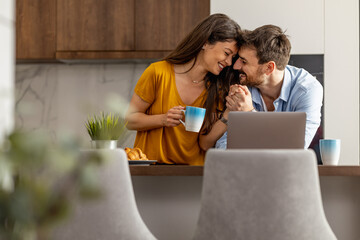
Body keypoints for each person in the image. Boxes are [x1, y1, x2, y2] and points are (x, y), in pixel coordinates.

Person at [125, 14, 242, 165]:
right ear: (206, 42)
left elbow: (206, 143)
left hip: (194, 174)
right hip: (152, 171)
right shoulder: (158, 72)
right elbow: (129, 120)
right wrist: (162, 119)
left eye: (233, 58)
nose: (228, 62)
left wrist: (227, 115)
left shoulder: (219, 88)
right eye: (226, 53)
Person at [215, 24, 323, 149]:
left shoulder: (307, 90)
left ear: (269, 68)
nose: (235, 66)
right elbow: (223, 147)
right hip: (246, 168)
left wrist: (249, 114)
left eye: (244, 61)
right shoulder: (243, 85)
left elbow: (295, 148)